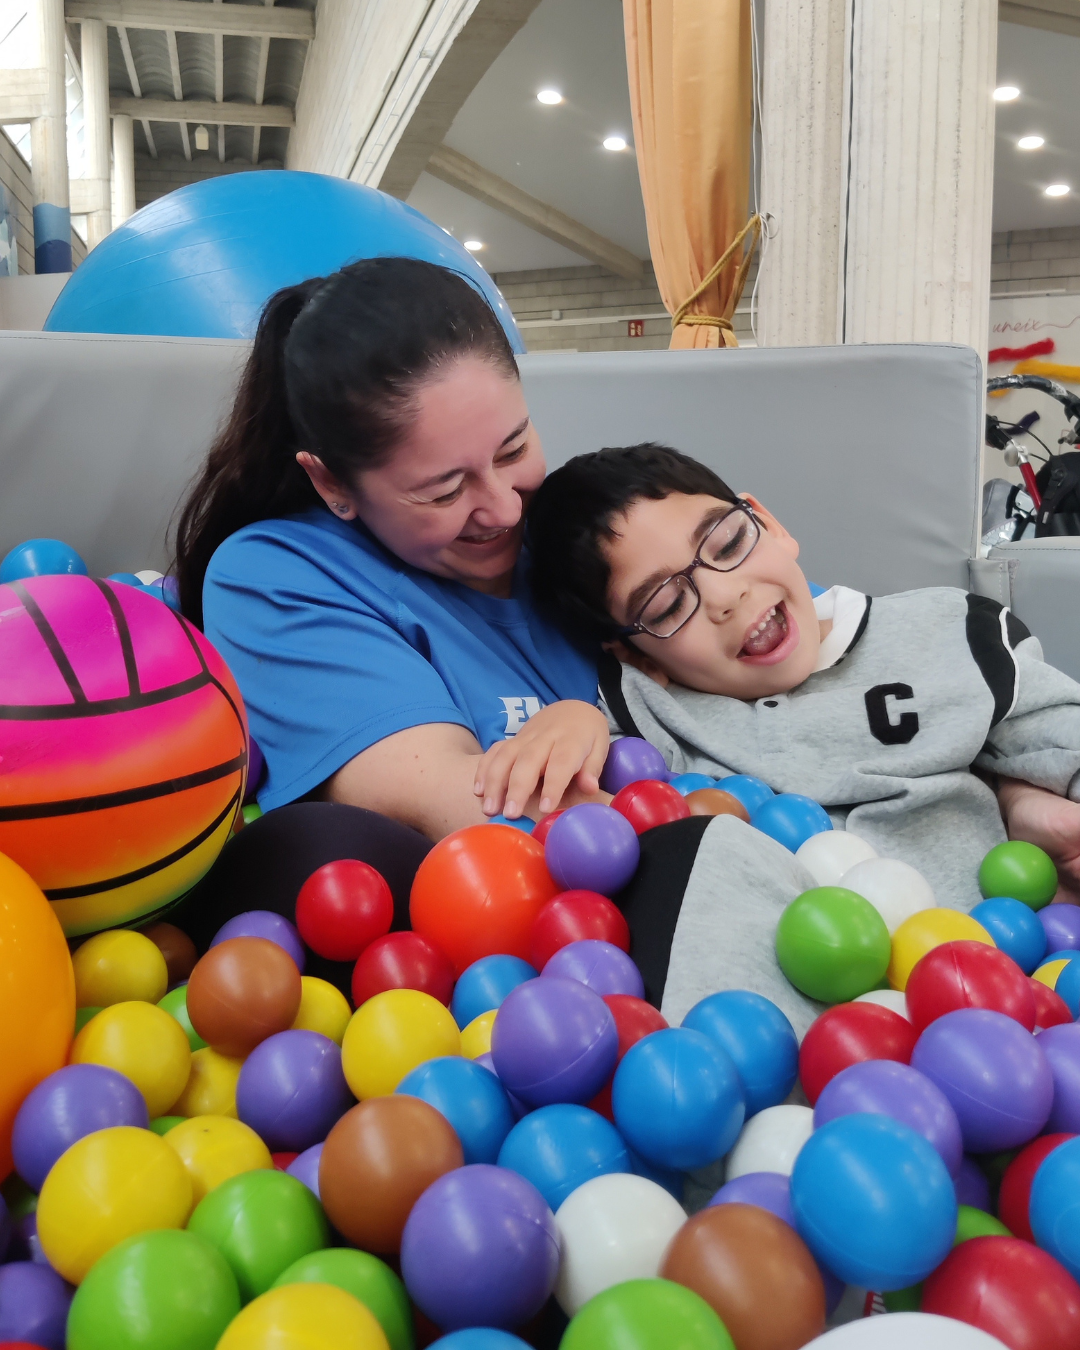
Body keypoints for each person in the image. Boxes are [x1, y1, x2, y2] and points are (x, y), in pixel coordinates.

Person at [516, 442, 1080, 1033]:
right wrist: (574, 717)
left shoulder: (946, 631)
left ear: (770, 524)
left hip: (1002, 976)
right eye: (668, 604)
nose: (726, 596)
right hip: (789, 1027)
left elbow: (1057, 729)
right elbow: (586, 823)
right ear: (636, 654)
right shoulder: (653, 716)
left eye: (727, 545)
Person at [166, 258, 611, 980]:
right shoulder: (275, 574)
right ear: (331, 483)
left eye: (515, 448)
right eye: (443, 491)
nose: (504, 507)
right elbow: (462, 806)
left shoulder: (580, 529)